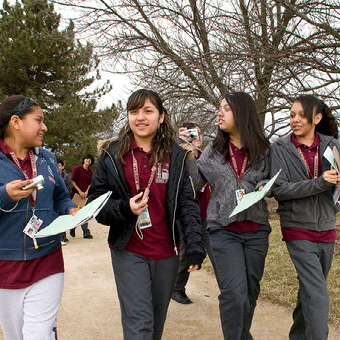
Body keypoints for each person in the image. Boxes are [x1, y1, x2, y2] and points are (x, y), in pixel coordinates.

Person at [0, 95, 78, 340]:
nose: (45, 127)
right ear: (16, 122)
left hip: (47, 260)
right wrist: (2, 196)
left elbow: (61, 198)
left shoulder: (48, 159)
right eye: (38, 120)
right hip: (4, 266)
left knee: (38, 335)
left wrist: (71, 210)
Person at [87, 89, 206, 340]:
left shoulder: (177, 155)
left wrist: (195, 244)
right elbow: (95, 204)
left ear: (161, 116)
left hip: (167, 252)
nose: (140, 117)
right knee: (139, 321)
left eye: (148, 111)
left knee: (156, 322)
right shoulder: (112, 154)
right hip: (128, 249)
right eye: (134, 112)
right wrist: (125, 208)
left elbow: (187, 203)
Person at [183, 92, 271, 340]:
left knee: (250, 292)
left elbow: (272, 177)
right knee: (234, 292)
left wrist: (265, 185)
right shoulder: (213, 150)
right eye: (219, 108)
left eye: (226, 109)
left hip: (256, 230)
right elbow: (196, 183)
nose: (220, 113)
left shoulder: (264, 149)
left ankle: (242, 335)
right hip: (223, 230)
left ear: (242, 113)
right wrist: (190, 153)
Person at [270, 95, 340, 340]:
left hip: (327, 226)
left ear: (316, 118)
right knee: (317, 292)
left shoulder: (333, 146)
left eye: (301, 115)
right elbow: (280, 190)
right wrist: (318, 183)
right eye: (292, 115)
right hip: (297, 228)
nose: (295, 120)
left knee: (310, 290)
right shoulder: (280, 148)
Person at [172, 122, 213, 305]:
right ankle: (177, 288)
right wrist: (183, 148)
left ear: (201, 137)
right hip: (184, 213)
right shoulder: (176, 156)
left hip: (206, 213)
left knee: (212, 250)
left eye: (193, 134)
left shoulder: (207, 157)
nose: (189, 138)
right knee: (185, 251)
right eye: (184, 134)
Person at [69, 154, 94, 239]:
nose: (88, 161)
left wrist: (86, 192)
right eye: (87, 159)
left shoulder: (90, 172)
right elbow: (72, 180)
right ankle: (72, 228)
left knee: (85, 213)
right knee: (75, 213)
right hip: (76, 195)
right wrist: (79, 191)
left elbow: (90, 183)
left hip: (85, 196)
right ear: (84, 159)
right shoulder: (77, 169)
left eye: (90, 160)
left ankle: (86, 233)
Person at [57, 158, 73, 245]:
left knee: (63, 219)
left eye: (59, 165)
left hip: (63, 200)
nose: (57, 167)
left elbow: (69, 188)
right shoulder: (52, 176)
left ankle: (63, 236)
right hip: (54, 201)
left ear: (63, 167)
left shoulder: (66, 177)